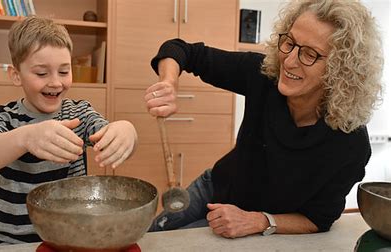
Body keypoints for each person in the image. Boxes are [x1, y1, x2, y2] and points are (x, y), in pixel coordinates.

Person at [145, 0, 383, 238]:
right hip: (213, 185)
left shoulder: (350, 145)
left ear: (340, 69)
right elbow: (181, 50)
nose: (289, 61)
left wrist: (259, 221)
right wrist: (169, 82)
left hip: (250, 226)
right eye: (289, 42)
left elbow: (318, 219)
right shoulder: (264, 75)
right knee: (153, 235)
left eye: (310, 54)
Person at [0, 16, 137, 245]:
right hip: (12, 243)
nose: (56, 82)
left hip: (71, 240)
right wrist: (26, 137)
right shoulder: (1, 116)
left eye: (64, 71)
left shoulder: (79, 113)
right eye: (41, 73)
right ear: (16, 75)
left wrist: (127, 131)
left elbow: (109, 133)